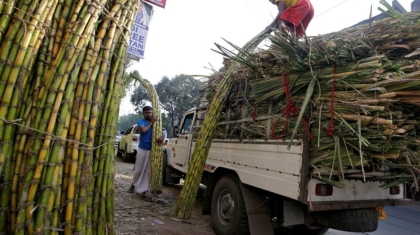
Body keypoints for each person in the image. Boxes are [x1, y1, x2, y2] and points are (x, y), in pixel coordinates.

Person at [129, 106, 162, 196]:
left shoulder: (157, 123)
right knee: (138, 169)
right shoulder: (141, 122)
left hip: (153, 150)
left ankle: (143, 190)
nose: (149, 114)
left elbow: (162, 133)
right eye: (147, 113)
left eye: (150, 112)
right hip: (143, 148)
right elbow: (143, 130)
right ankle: (133, 184)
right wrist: (151, 122)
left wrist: (161, 138)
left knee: (148, 171)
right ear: (143, 113)